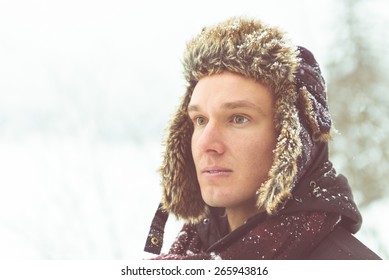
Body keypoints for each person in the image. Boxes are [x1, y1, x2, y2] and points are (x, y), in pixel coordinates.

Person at [144, 16, 381, 260]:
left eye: (238, 118)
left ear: (295, 140)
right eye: (200, 120)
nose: (206, 143)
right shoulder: (189, 250)